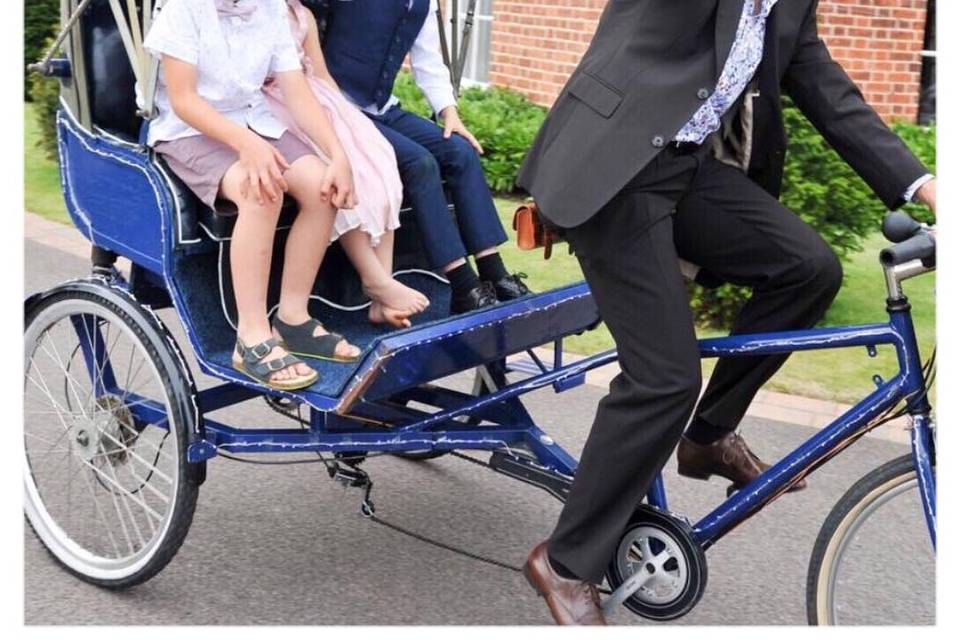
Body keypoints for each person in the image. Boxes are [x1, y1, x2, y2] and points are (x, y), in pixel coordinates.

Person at [516, 0, 937, 625]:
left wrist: (926, 187)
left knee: (807, 270)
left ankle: (708, 436)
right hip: (611, 168)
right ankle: (567, 561)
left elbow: (827, 90)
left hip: (684, 170)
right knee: (663, 377)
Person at [143, 0, 363, 390]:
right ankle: (251, 337)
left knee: (322, 188)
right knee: (261, 190)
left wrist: (336, 153)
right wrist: (247, 145)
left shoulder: (270, 8)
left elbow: (296, 91)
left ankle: (293, 317)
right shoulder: (183, 8)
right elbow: (184, 100)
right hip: (189, 130)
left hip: (253, 120)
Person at [313, 0, 531, 314]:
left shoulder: (423, 4)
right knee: (420, 163)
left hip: (382, 107)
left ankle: (495, 272)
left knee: (461, 151)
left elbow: (429, 61)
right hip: (340, 110)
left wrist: (449, 114)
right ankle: (462, 283)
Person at [263, 0, 429, 329]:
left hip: (316, 98)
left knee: (378, 155)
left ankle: (383, 287)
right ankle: (373, 278)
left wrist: (345, 116)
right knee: (335, 170)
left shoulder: (302, 16)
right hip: (276, 103)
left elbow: (321, 74)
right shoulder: (260, 14)